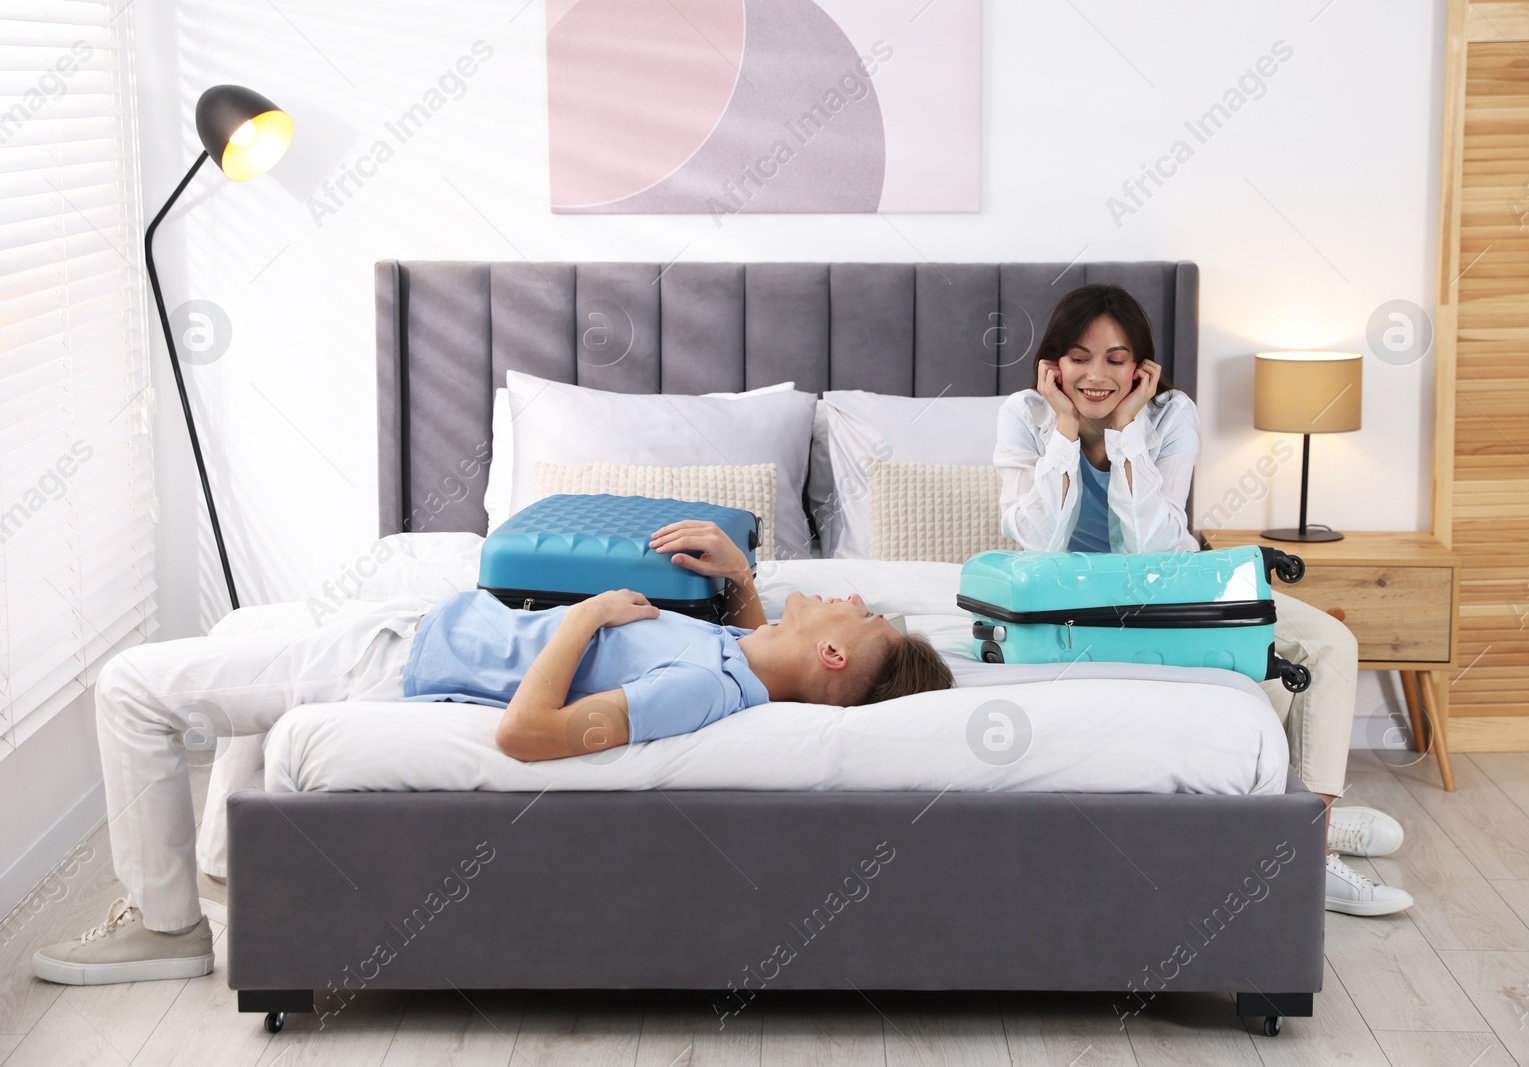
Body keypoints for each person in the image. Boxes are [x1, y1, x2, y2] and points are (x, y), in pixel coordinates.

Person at [33, 520, 952, 986]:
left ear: (833, 654)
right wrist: (744, 580)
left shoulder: (706, 690)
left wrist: (587, 617)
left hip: (389, 661)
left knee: (129, 684)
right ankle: (224, 881)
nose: (854, 594)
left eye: (859, 613)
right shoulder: (740, 658)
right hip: (410, 623)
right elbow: (756, 662)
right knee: (235, 633)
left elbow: (524, 734)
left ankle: (165, 933)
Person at [994, 282, 1411, 918]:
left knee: (1329, 642)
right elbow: (1038, 540)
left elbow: (1155, 550)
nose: (1097, 374)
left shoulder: (1170, 414)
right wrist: (1064, 430)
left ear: (1142, 368)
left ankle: (1313, 843)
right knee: (1249, 678)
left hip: (1172, 587)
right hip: (1069, 603)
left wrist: (1129, 431)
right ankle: (1304, 837)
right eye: (1080, 357)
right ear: (1054, 364)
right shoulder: (1025, 415)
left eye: (1116, 357)